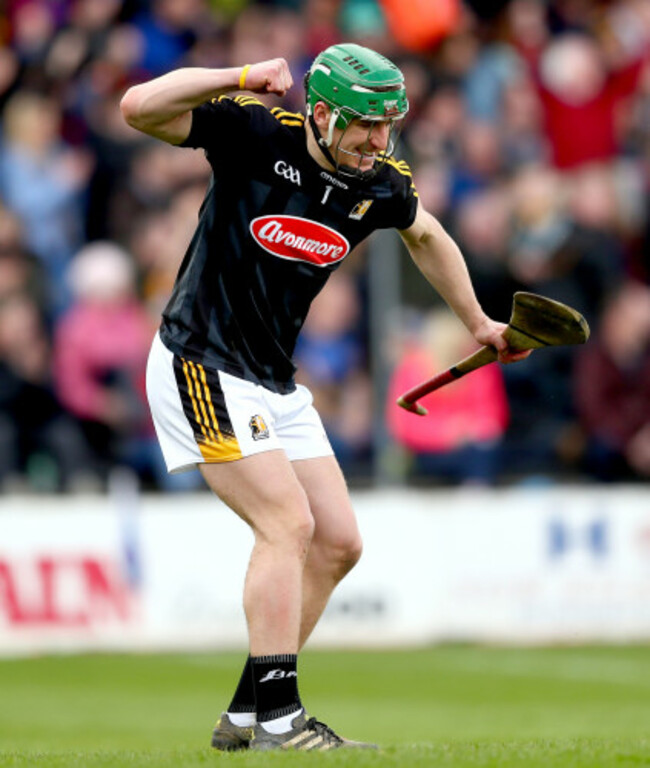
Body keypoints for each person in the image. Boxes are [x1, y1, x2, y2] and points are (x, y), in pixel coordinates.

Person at [120, 43, 529, 752]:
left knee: (339, 541)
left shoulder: (381, 184)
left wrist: (477, 323)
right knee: (287, 523)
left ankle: (247, 714)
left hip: (273, 377)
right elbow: (137, 108)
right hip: (199, 359)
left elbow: (426, 235)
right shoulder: (255, 133)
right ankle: (283, 721)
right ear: (319, 112)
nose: (378, 141)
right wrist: (241, 76)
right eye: (365, 125)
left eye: (387, 126)